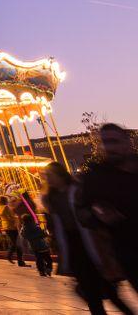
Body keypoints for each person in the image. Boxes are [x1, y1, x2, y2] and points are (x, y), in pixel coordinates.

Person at [43, 161, 133, 315]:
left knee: (111, 293)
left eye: (50, 176)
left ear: (60, 175)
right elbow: (55, 225)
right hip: (72, 244)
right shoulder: (51, 198)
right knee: (90, 293)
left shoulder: (77, 190)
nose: (48, 180)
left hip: (90, 240)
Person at [77, 123, 138, 293]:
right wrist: (96, 213)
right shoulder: (95, 178)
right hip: (128, 248)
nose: (110, 147)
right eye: (105, 142)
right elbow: (81, 211)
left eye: (114, 141)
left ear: (127, 142)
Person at [0, 195, 26, 266]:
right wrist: (16, 219)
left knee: (15, 243)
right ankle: (18, 260)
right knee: (18, 244)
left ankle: (11, 256)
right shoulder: (6, 207)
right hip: (12, 226)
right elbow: (9, 217)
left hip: (6, 226)